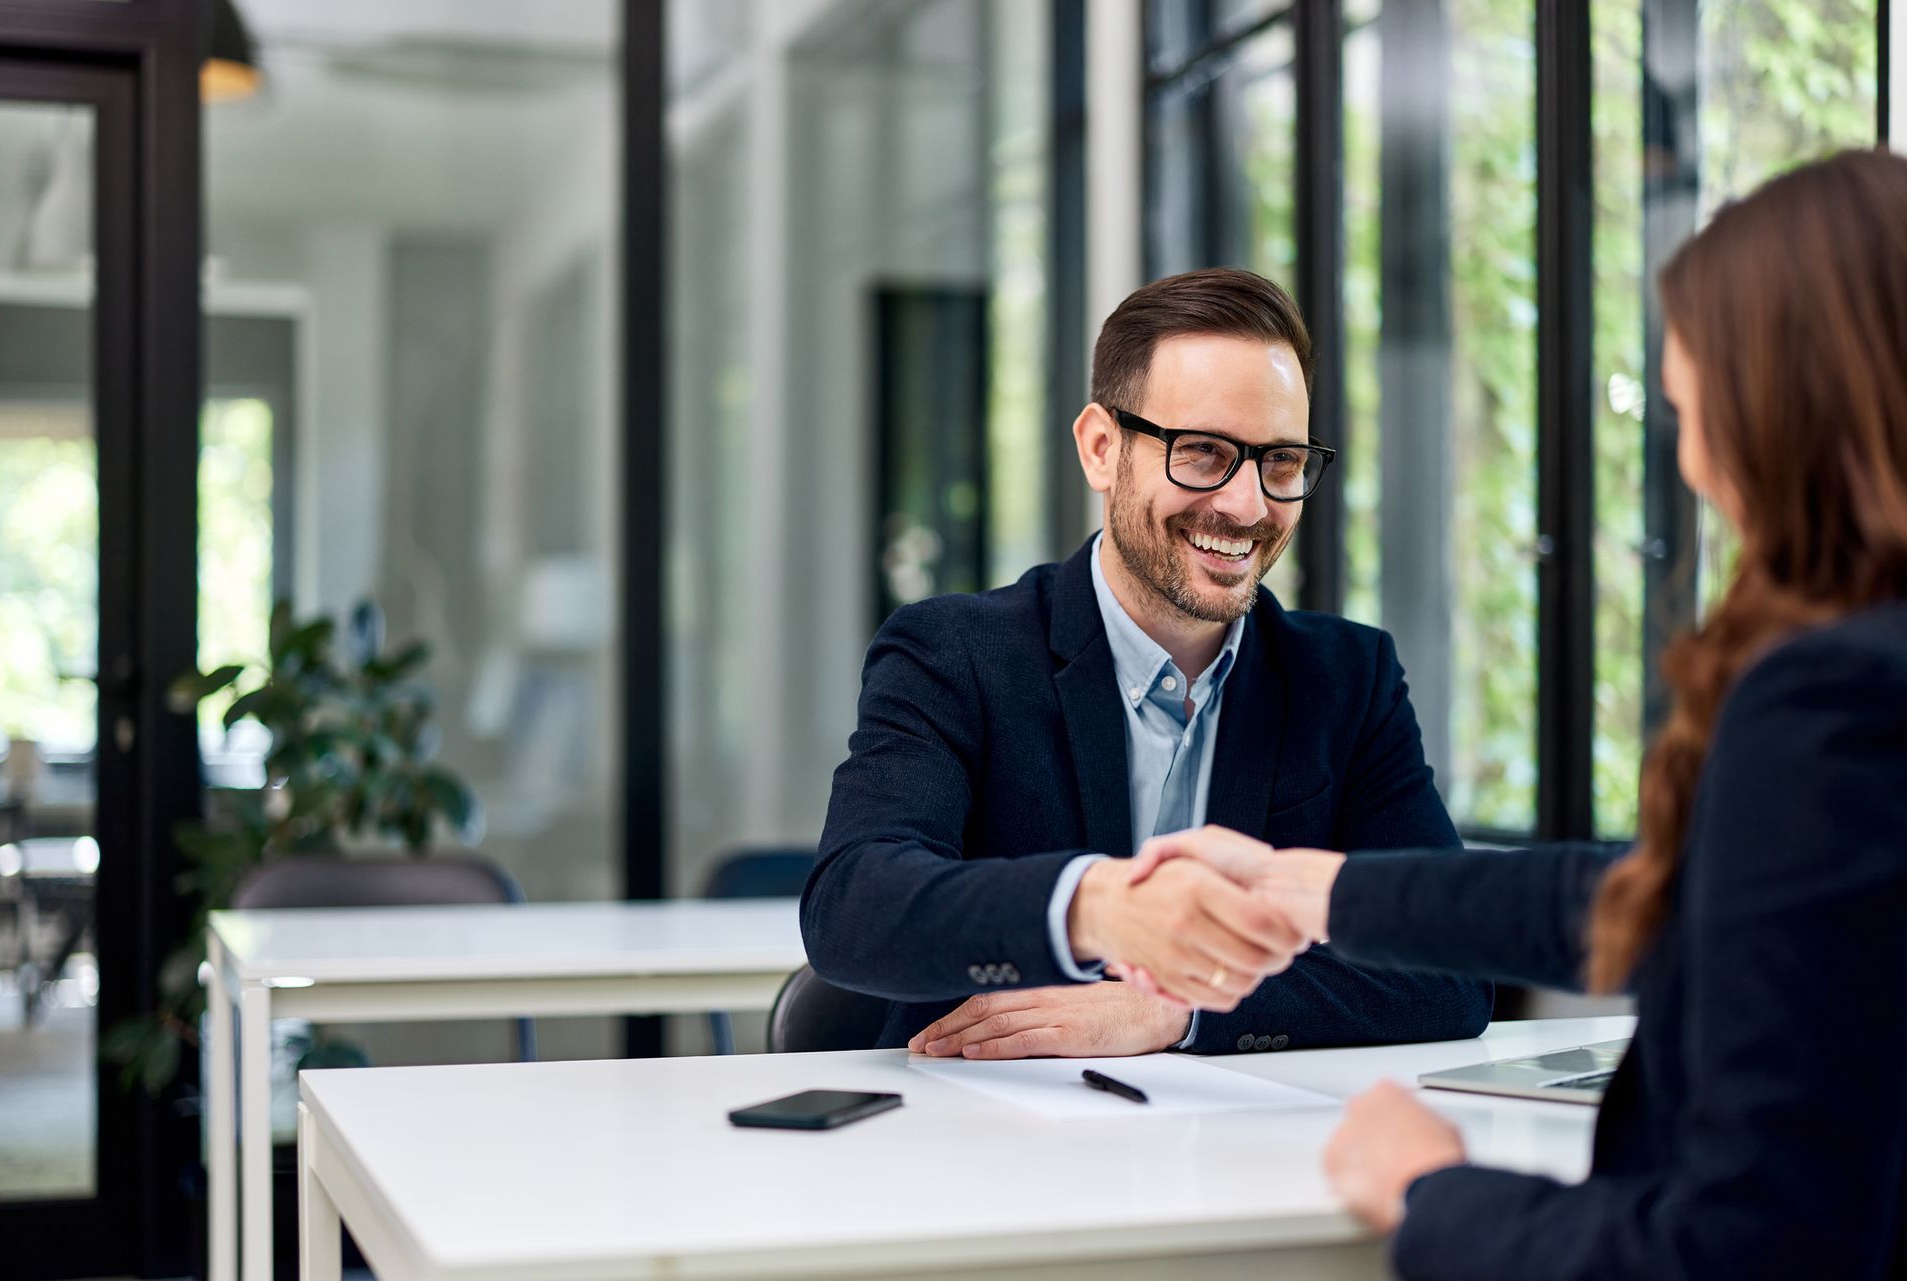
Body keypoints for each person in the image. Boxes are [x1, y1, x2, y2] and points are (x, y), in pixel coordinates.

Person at [1117, 150, 1907, 1278]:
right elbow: (1677, 894)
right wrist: (1319, 889)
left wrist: (1433, 1192)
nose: (1688, 462)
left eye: (1695, 414)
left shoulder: (1827, 702)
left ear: (1785, 412)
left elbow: (1747, 1250)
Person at [802, 267, 1491, 1057]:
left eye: (1282, 463)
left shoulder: (1347, 680)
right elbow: (853, 909)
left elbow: (1451, 958)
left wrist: (1176, 1008)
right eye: (1202, 452)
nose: (1247, 505)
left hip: (1233, 1151)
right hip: (986, 1143)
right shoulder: (953, 654)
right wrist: (1095, 909)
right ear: (1101, 448)